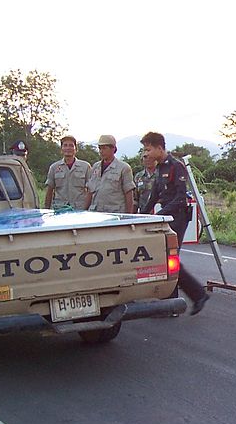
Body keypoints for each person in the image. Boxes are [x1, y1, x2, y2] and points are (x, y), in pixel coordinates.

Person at [141, 131, 209, 315]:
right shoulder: (160, 168)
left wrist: (161, 214)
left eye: (148, 149)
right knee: (165, 259)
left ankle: (196, 295)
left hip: (177, 217)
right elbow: (155, 195)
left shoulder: (175, 167)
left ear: (159, 148)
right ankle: (173, 303)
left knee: (170, 260)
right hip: (166, 217)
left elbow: (180, 198)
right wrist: (140, 215)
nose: (146, 153)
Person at [85, 134, 135, 213]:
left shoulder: (124, 168)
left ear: (113, 149)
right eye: (100, 148)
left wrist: (129, 216)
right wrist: (84, 211)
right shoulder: (95, 167)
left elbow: (129, 193)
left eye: (104, 148)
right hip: (96, 212)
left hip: (115, 213)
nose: (101, 151)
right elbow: (90, 191)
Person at [44, 135, 91, 209]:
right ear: (61, 149)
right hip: (60, 209)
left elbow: (90, 190)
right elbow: (50, 190)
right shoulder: (54, 167)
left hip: (79, 209)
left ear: (76, 149)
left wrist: (86, 209)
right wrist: (46, 209)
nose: (68, 148)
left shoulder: (85, 167)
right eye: (65, 145)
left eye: (71, 146)